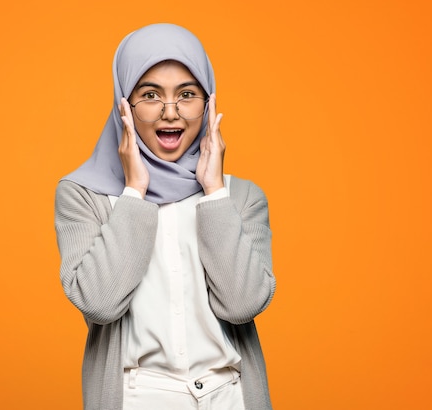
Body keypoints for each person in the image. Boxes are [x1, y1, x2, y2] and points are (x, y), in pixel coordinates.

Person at [54, 23, 276, 410]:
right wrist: (135, 190)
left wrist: (213, 193)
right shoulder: (84, 196)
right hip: (138, 398)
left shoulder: (240, 197)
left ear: (208, 104)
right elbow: (100, 304)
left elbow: (242, 305)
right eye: (150, 94)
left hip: (230, 396)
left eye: (187, 94)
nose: (170, 112)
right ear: (124, 103)